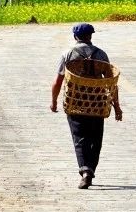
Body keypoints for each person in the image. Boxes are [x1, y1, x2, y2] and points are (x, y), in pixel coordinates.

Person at [50, 23, 123, 188]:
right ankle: (89, 169)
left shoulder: (68, 54)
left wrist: (54, 101)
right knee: (96, 138)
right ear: (91, 36)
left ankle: (85, 171)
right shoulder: (101, 55)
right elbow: (111, 83)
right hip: (97, 102)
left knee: (79, 138)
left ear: (75, 37)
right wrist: (117, 106)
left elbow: (57, 81)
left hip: (75, 101)